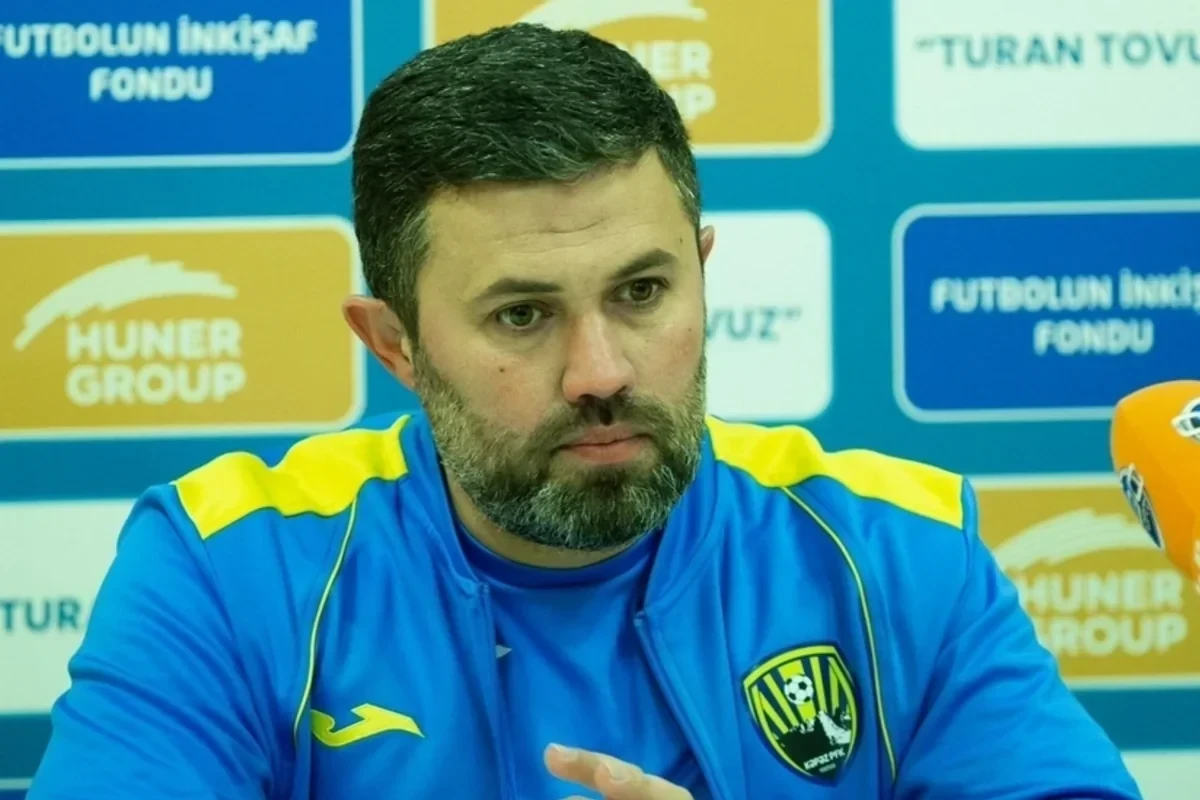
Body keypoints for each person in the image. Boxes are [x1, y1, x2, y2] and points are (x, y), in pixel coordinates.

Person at [29, 22, 1141, 800]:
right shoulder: (229, 571)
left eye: (642, 292)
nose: (599, 371)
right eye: (522, 315)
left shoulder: (896, 552)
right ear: (394, 344)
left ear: (703, 272)